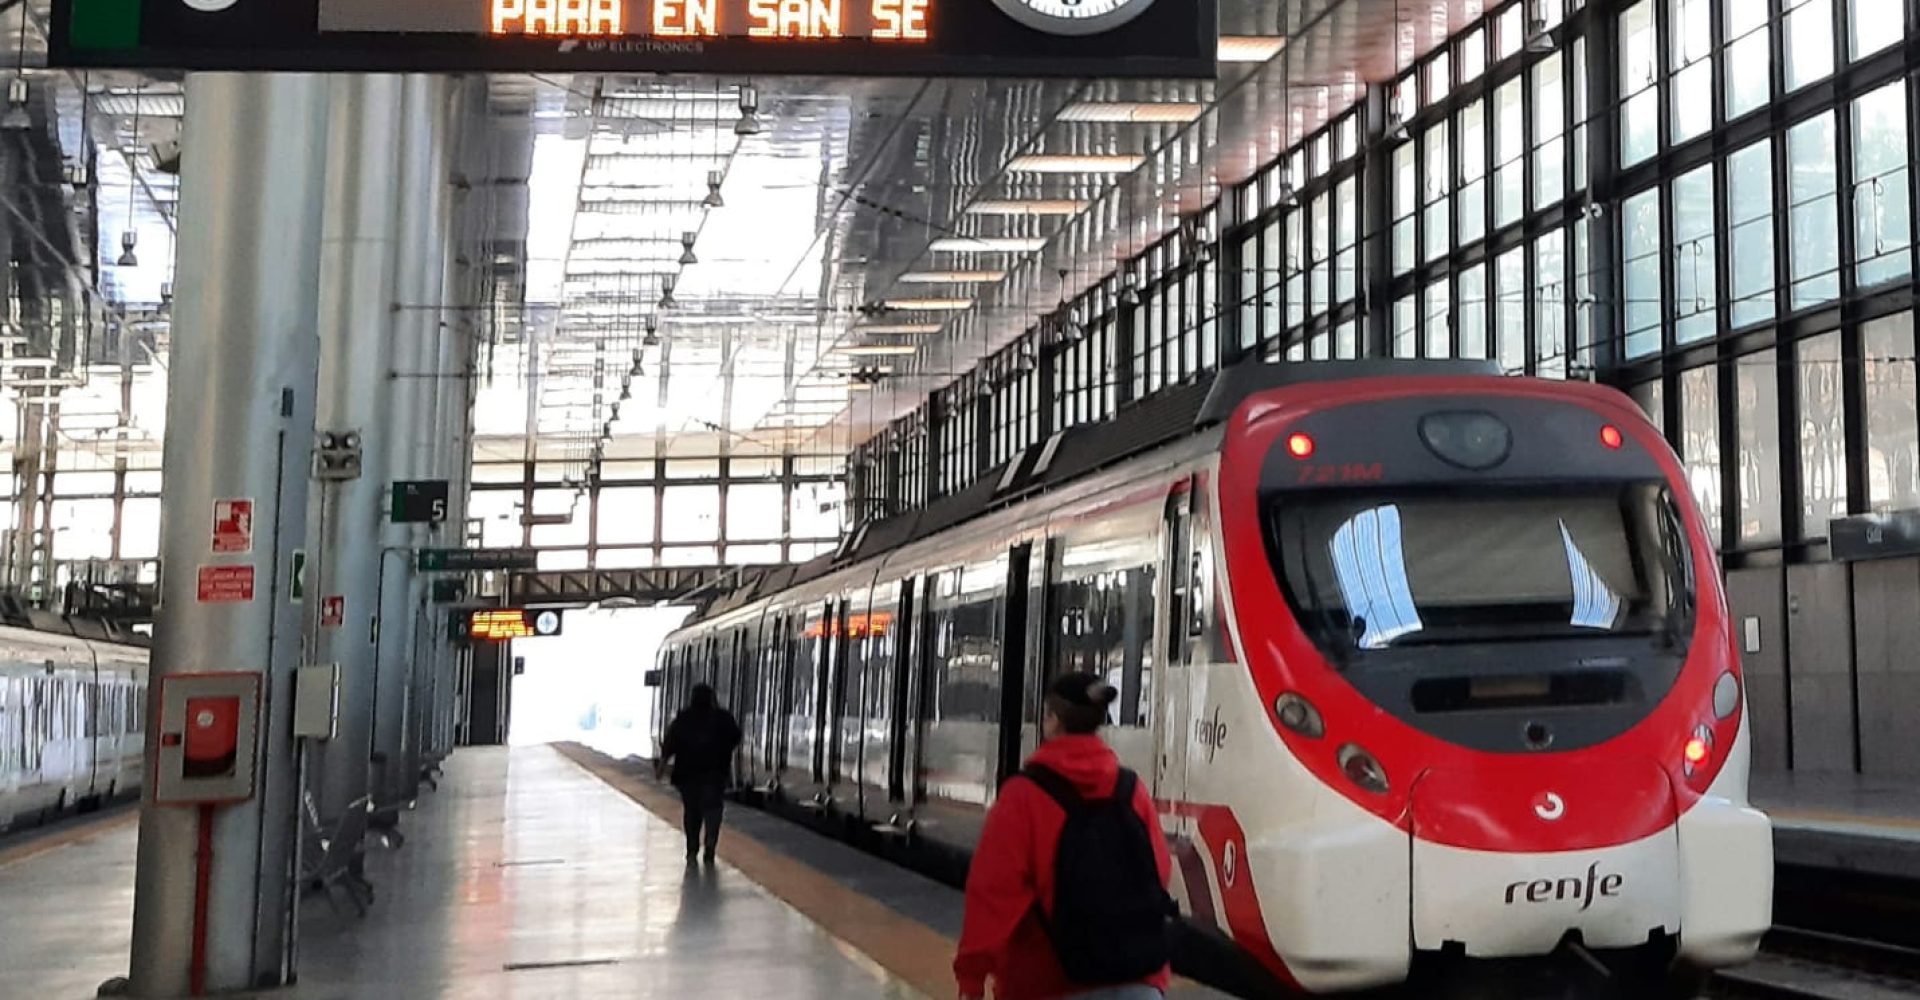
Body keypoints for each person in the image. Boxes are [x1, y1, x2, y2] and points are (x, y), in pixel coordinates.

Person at [955, 673, 1175, 1000]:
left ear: (1053, 721)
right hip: (1139, 980)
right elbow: (1160, 871)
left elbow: (993, 894)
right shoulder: (1132, 790)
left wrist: (971, 979)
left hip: (1047, 983)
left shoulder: (1023, 796)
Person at [657, 683, 742, 866]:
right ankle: (710, 846)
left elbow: (668, 747)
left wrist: (660, 770)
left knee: (692, 812)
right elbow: (736, 738)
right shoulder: (723, 718)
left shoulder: (683, 719)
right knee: (713, 811)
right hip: (715, 775)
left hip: (687, 777)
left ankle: (692, 847)